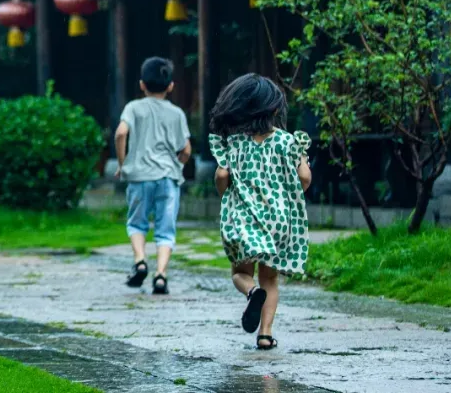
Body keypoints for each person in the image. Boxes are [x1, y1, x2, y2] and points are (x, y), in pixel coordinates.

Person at [208, 73, 312, 351]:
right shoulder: (289, 143)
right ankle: (265, 334)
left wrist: (226, 195)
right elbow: (304, 179)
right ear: (275, 109)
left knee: (240, 272)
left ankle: (251, 291)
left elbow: (221, 176)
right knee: (271, 278)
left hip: (243, 219)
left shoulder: (235, 144)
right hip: (277, 221)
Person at [114, 57, 192, 295]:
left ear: (141, 84)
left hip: (138, 177)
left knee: (136, 223)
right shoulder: (177, 113)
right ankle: (160, 275)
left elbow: (120, 133)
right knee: (165, 229)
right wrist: (176, 165)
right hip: (168, 178)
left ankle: (140, 261)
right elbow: (186, 150)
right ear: (171, 86)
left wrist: (123, 163)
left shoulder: (133, 108)